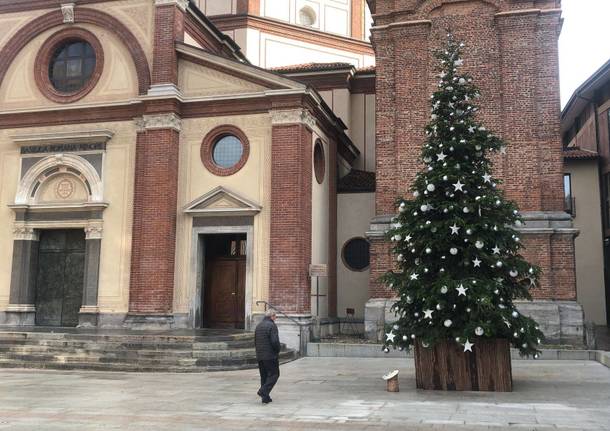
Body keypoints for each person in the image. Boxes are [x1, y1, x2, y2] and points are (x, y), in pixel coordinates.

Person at [254, 309, 281, 404]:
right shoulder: (272, 325)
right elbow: (274, 341)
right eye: (275, 316)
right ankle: (263, 391)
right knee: (275, 374)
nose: (276, 318)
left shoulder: (259, 325)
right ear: (272, 316)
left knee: (264, 376)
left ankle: (265, 397)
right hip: (270, 355)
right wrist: (278, 350)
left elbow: (255, 341)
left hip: (260, 355)